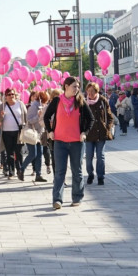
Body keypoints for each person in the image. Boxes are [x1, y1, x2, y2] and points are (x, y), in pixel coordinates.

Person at [43, 76, 94, 210]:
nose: (77, 89)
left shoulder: (80, 101)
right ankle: (57, 200)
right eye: (74, 86)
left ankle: (77, 197)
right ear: (66, 86)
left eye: (78, 87)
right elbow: (46, 116)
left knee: (77, 171)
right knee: (60, 172)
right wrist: (50, 131)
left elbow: (91, 119)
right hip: (60, 142)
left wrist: (84, 132)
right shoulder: (57, 101)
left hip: (77, 142)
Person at [84, 82, 115, 186]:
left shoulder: (102, 101)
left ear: (96, 91)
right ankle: (90, 174)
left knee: (100, 156)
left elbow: (110, 117)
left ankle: (100, 176)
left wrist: (107, 128)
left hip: (101, 133)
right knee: (89, 157)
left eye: (92, 91)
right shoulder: (84, 102)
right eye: (88, 91)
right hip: (89, 134)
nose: (90, 93)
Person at [0, 88, 27, 181]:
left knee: (19, 152)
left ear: (15, 95)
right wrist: (1, 116)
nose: (11, 96)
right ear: (5, 96)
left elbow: (26, 116)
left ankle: (20, 171)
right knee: (9, 153)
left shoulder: (20, 104)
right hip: (6, 132)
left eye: (12, 94)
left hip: (18, 132)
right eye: (9, 94)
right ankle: (11, 171)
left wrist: (26, 128)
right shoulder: (2, 106)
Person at [23, 90, 46, 182]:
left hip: (39, 133)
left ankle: (38, 175)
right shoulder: (33, 107)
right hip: (32, 133)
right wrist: (38, 116)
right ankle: (21, 169)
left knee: (39, 154)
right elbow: (29, 120)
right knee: (33, 154)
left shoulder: (42, 106)